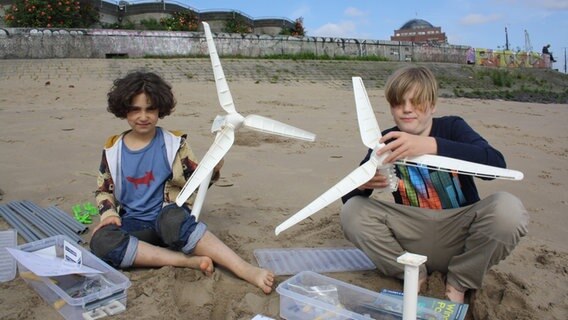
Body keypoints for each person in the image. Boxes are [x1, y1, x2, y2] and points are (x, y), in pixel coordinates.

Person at [340, 66, 528, 303]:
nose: (407, 109)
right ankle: (413, 274)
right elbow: (348, 199)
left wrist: (430, 145)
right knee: (353, 212)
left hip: (460, 230)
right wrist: (364, 183)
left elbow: (495, 164)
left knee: (508, 209)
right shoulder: (386, 140)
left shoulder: (452, 128)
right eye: (399, 103)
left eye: (416, 102)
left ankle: (459, 282)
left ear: (432, 105)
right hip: (412, 234)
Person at [90, 71, 274, 294]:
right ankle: (185, 260)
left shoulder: (174, 144)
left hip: (168, 220)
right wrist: (109, 214)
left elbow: (195, 182)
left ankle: (244, 269)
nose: (143, 116)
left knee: (172, 218)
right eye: (135, 109)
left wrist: (212, 168)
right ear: (124, 110)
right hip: (134, 225)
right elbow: (104, 190)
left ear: (160, 109)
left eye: (150, 109)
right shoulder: (113, 149)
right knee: (100, 241)